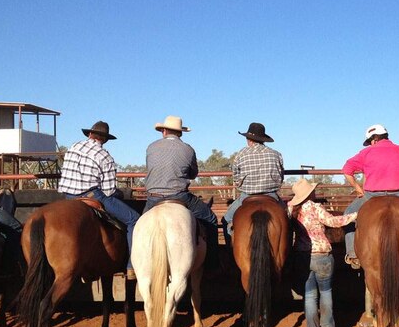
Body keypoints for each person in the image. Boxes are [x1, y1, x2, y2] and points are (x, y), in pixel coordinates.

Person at [58, 121, 140, 278]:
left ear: (89, 134)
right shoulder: (105, 156)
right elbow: (108, 191)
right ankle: (131, 266)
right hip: (92, 195)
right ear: (105, 139)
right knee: (134, 220)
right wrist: (120, 194)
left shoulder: (74, 147)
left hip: (68, 197)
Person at [341, 124, 399, 269]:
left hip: (372, 195)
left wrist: (358, 188)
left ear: (373, 139)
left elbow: (347, 169)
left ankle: (353, 253)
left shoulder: (366, 152)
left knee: (348, 215)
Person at [288, 179, 357, 327]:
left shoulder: (291, 209)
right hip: (322, 255)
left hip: (302, 256)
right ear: (309, 193)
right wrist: (355, 215)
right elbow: (333, 222)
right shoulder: (315, 207)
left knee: (310, 296)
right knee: (326, 292)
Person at [144, 115, 219, 266]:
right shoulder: (188, 149)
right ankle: (213, 262)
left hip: (153, 197)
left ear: (163, 131)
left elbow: (151, 169)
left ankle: (132, 265)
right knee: (211, 218)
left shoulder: (151, 147)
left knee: (138, 225)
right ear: (180, 133)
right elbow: (193, 173)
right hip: (180, 196)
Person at [222, 122, 284, 243]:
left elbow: (236, 178)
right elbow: (280, 177)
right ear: (263, 139)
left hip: (247, 195)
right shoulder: (276, 154)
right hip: (271, 195)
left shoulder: (241, 154)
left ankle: (230, 252)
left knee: (226, 220)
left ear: (249, 139)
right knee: (288, 219)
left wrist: (241, 183)